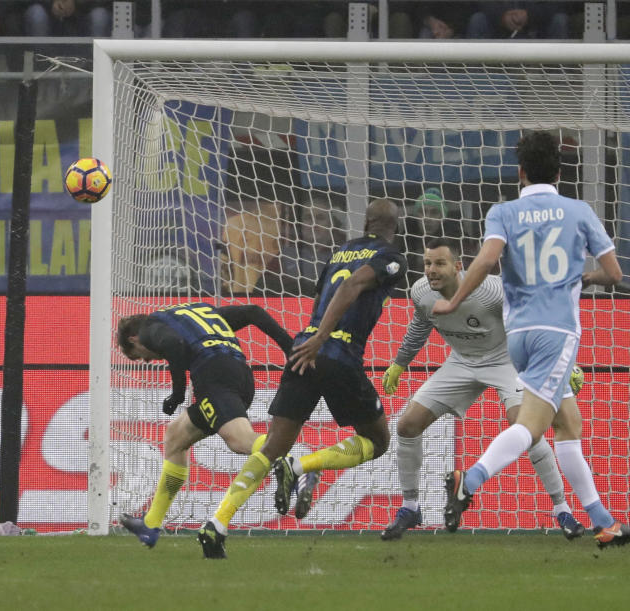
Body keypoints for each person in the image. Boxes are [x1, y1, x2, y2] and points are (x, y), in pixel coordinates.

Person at [433, 131, 628, 549]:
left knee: (567, 423)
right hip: (556, 333)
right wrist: (585, 278)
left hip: (517, 334)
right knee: (532, 426)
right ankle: (468, 479)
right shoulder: (578, 211)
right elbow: (614, 274)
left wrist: (453, 303)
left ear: (520, 173)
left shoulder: (503, 212)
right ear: (559, 172)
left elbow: (487, 260)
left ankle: (604, 522)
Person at [197, 199, 407, 559]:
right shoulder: (391, 256)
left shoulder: (340, 252)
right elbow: (352, 287)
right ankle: (302, 465)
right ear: (394, 227)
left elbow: (324, 294)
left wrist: (311, 340)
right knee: (378, 439)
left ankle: (217, 521)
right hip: (336, 352)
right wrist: (324, 338)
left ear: (364, 221)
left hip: (301, 351)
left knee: (273, 444)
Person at [380, 236, 585, 540]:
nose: (432, 270)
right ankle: (410, 507)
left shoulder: (491, 291)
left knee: (526, 428)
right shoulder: (421, 292)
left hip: (507, 361)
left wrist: (559, 360)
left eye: (439, 263)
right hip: (461, 363)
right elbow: (420, 326)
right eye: (427, 263)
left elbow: (533, 319)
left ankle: (562, 509)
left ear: (458, 266)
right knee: (407, 425)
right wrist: (399, 363)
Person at [116, 302, 293, 548]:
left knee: (239, 439)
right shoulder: (196, 313)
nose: (147, 360)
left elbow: (173, 345)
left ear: (134, 338)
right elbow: (253, 312)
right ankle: (151, 525)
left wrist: (177, 393)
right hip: (240, 374)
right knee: (176, 437)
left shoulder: (150, 327)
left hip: (214, 377)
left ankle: (296, 464)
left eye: (140, 355)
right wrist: (289, 347)